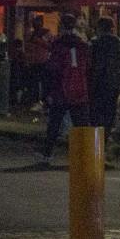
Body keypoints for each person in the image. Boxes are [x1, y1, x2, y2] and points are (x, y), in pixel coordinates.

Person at [41, 13, 92, 162]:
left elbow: (53, 69)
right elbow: (88, 67)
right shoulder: (82, 45)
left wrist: (48, 91)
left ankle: (47, 153)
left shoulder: (58, 45)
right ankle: (86, 156)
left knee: (54, 124)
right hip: (79, 88)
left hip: (61, 89)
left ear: (62, 26)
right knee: (81, 125)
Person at [87, 15, 120, 145]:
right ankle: (105, 137)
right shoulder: (118, 44)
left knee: (96, 113)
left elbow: (94, 65)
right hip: (113, 83)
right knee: (109, 112)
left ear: (99, 28)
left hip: (99, 83)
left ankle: (97, 140)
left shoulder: (96, 44)